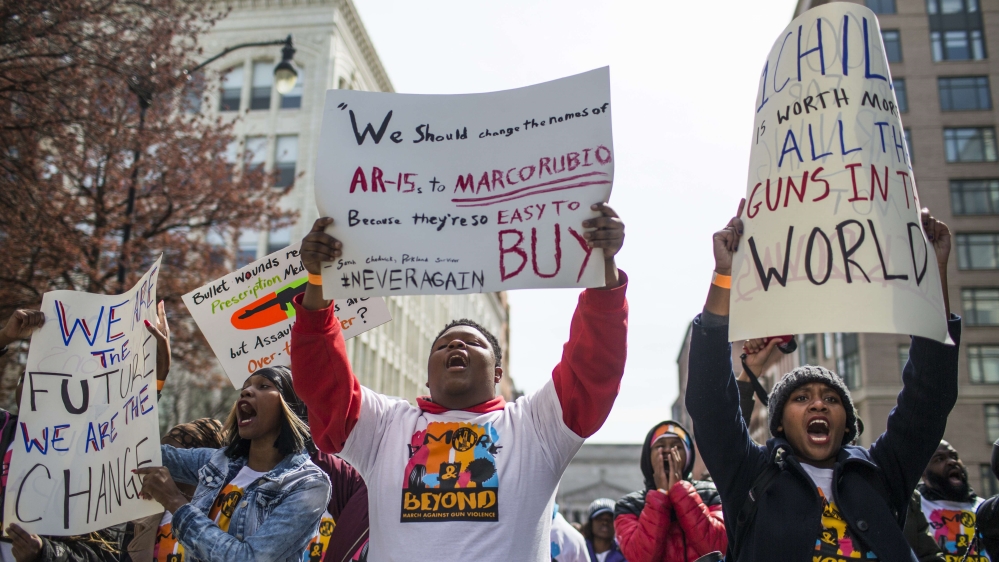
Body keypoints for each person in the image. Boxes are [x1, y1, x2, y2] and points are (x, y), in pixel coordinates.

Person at [290, 203, 628, 561]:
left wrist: (603, 269)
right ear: (427, 374)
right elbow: (323, 381)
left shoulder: (536, 426)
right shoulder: (385, 425)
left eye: (473, 342)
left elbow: (593, 365)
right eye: (443, 345)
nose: (456, 344)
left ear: (498, 372)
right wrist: (317, 284)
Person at [685, 202, 961, 561]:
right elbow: (711, 406)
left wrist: (932, 271)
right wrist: (724, 274)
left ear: (848, 422)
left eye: (831, 399)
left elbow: (929, 396)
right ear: (780, 423)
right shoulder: (753, 475)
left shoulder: (882, 472)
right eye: (801, 398)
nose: (818, 403)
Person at [135, 366, 331, 562]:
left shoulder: (308, 485)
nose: (246, 391)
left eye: (264, 386)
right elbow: (139, 451)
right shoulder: (217, 462)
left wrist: (175, 503)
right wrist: (155, 381)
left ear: (291, 405)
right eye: (245, 388)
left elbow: (247, 558)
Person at [0, 307, 131, 562]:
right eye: (27, 375)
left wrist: (44, 553)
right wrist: (4, 338)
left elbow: (106, 554)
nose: (31, 384)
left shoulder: (98, 459)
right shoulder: (4, 428)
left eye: (49, 377)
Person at [614, 421, 725, 561]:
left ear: (688, 456)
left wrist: (680, 491)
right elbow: (641, 557)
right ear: (648, 457)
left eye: (676, 446)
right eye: (660, 446)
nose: (667, 451)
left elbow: (717, 547)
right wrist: (660, 495)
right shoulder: (628, 506)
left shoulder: (712, 493)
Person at [914, 440, 990, 560]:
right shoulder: (915, 508)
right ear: (924, 473)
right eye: (939, 459)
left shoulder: (985, 509)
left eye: (954, 456)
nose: (951, 462)